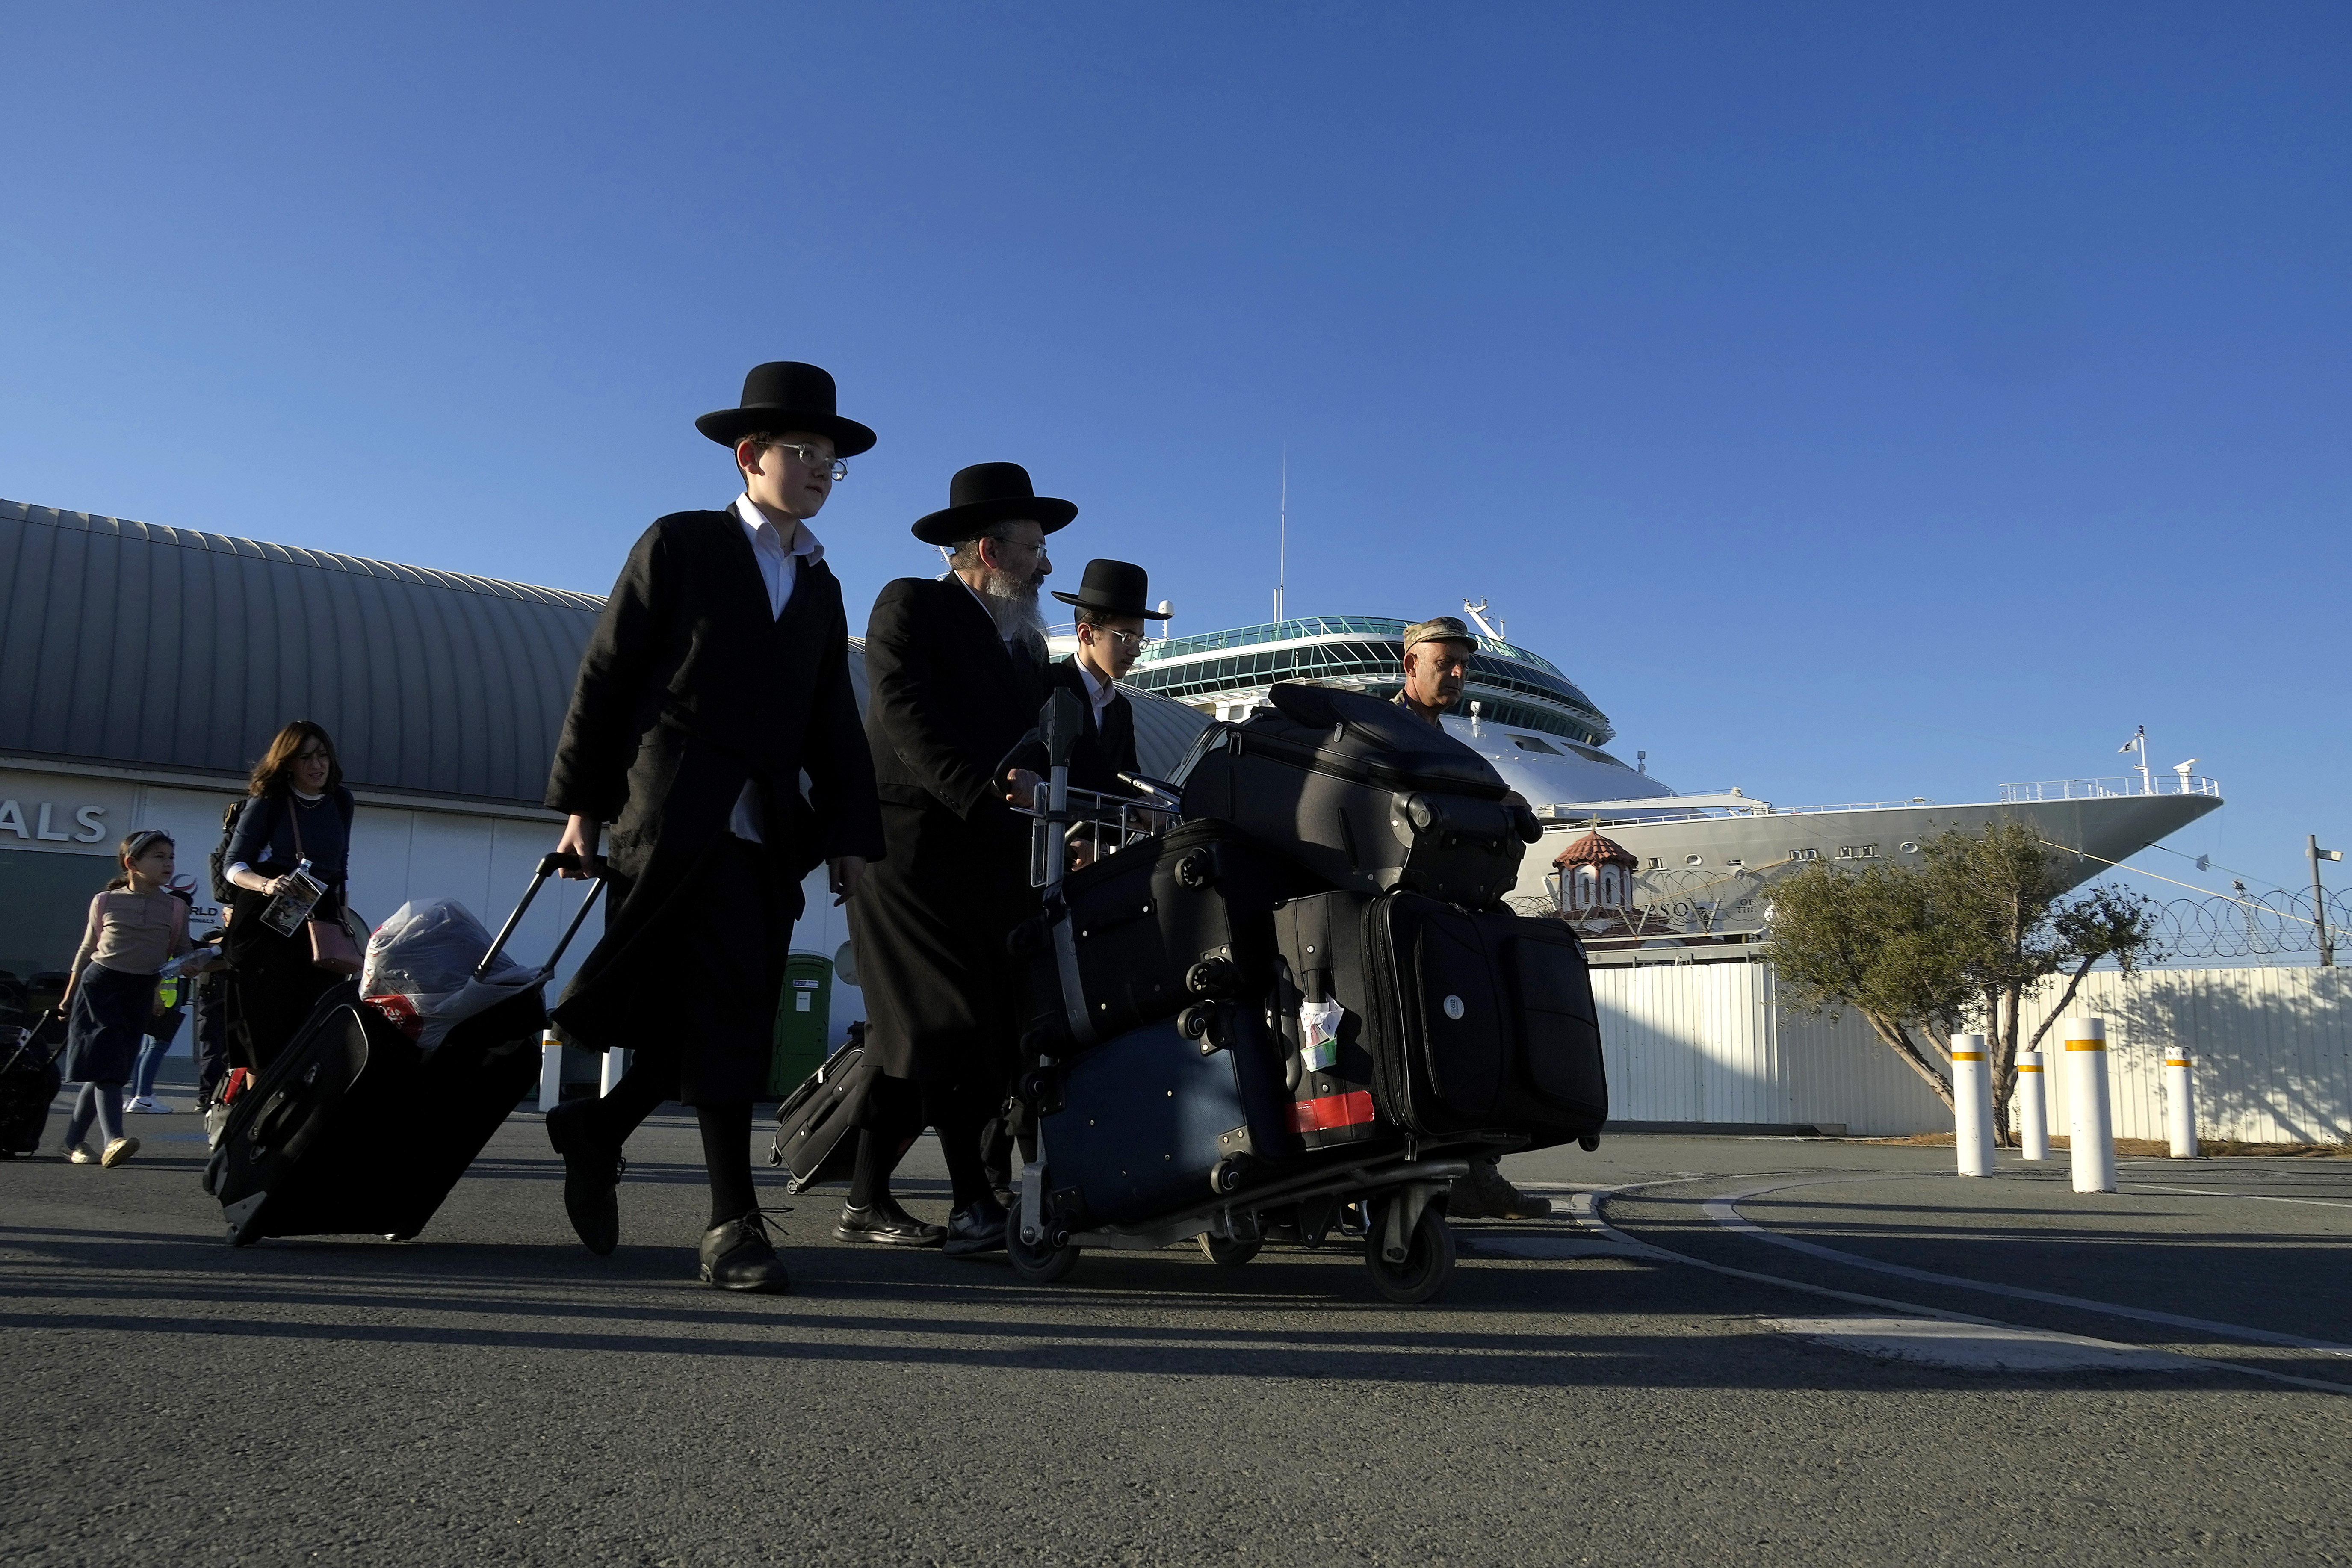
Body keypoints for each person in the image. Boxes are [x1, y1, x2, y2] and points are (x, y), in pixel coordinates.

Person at [542, 360, 884, 1294]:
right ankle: (709, 1208)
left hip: (765, 828)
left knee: (729, 1012)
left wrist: (850, 834)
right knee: (678, 1009)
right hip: (670, 810)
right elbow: (607, 676)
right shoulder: (681, 544)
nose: (821, 469)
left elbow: (830, 719)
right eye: (804, 452)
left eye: (832, 459)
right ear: (749, 455)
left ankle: (675, 1185)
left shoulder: (819, 582)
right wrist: (581, 807)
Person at [840, 462, 1071, 1257]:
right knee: (946, 1019)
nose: (1047, 564)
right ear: (989, 548)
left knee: (952, 1030)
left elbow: (1024, 741)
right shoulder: (913, 603)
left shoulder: (1025, 644)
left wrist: (1037, 783)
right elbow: (903, 712)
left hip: (986, 855)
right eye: (1035, 547)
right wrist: (981, 791)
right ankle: (974, 1200)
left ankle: (867, 1197)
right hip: (904, 850)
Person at [1391, 616, 1554, 1222]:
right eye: (1445, 664)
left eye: (1463, 665)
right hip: (1405, 907)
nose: (1458, 675)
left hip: (1448, 902)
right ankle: (1439, 1170)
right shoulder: (1383, 730)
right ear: (1411, 666)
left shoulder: (1450, 743)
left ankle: (1472, 1169)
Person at [220, 721, 358, 1071]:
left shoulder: (341, 801)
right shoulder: (269, 801)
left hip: (318, 916)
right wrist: (266, 884)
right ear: (288, 763)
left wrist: (343, 922)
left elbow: (340, 866)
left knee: (314, 1022)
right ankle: (254, 1114)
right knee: (264, 1029)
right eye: (306, 757)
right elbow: (233, 864)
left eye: (323, 755)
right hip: (267, 917)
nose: (317, 765)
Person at [54, 830, 192, 1165]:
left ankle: (72, 1140)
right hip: (101, 985)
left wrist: (194, 966)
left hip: (141, 990)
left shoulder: (176, 907)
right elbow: (87, 949)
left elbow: (182, 952)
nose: (168, 864)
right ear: (132, 863)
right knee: (109, 1064)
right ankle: (113, 1139)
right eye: (158, 857)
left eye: (170, 857)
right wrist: (69, 995)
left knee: (111, 1067)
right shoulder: (105, 900)